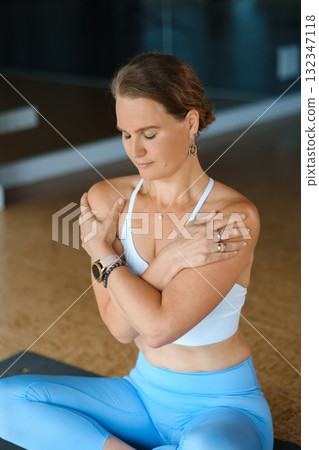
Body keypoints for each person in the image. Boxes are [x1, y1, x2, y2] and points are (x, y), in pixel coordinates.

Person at [0, 52, 273, 450]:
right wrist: (170, 259)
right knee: (7, 400)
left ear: (190, 123)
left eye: (149, 134)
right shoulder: (106, 198)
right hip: (141, 397)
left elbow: (159, 329)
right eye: (125, 134)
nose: (135, 150)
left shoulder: (230, 217)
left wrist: (104, 255)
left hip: (222, 409)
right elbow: (121, 329)